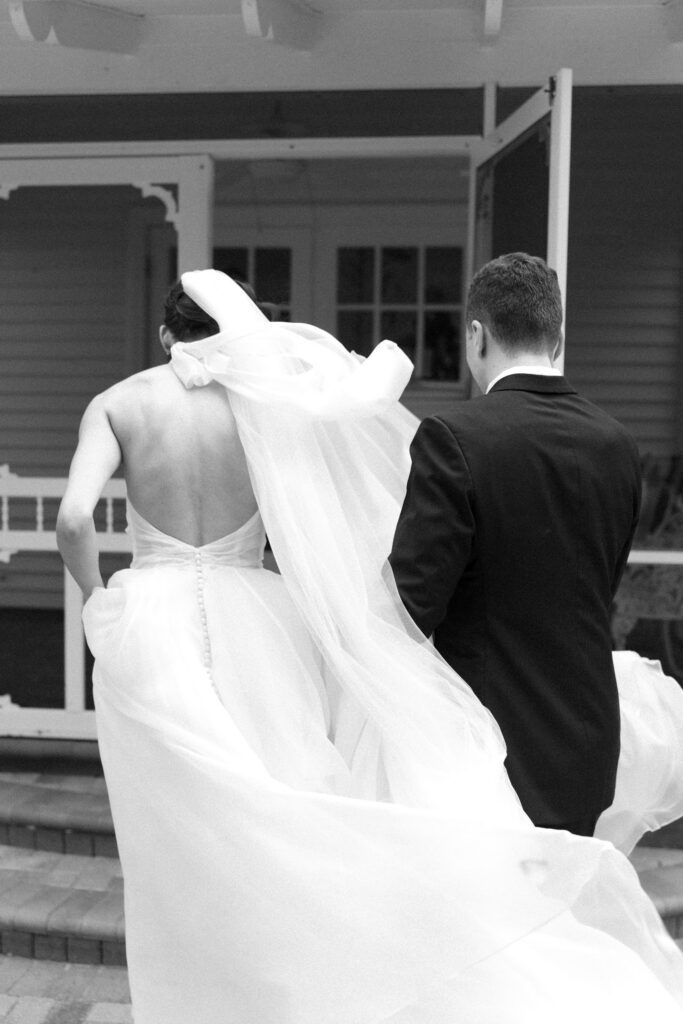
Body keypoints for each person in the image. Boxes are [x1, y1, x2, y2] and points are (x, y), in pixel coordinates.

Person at [57, 269, 683, 1024]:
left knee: (178, 826)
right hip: (280, 631)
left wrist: (100, 599)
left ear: (165, 337)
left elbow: (72, 520)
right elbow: (307, 527)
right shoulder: (267, 414)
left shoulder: (120, 404)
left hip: (156, 628)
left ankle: (214, 987)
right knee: (294, 813)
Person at [389, 252, 641, 838]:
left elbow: (411, 605)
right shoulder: (618, 445)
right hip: (588, 739)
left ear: (477, 335)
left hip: (488, 744)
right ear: (556, 338)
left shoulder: (454, 438)